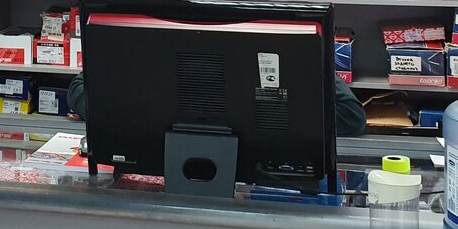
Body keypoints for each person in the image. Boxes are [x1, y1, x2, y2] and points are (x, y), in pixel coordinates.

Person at [66, 70, 367, 137]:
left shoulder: (277, 51)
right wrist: (122, 115)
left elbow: (351, 118)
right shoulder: (145, 43)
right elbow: (79, 87)